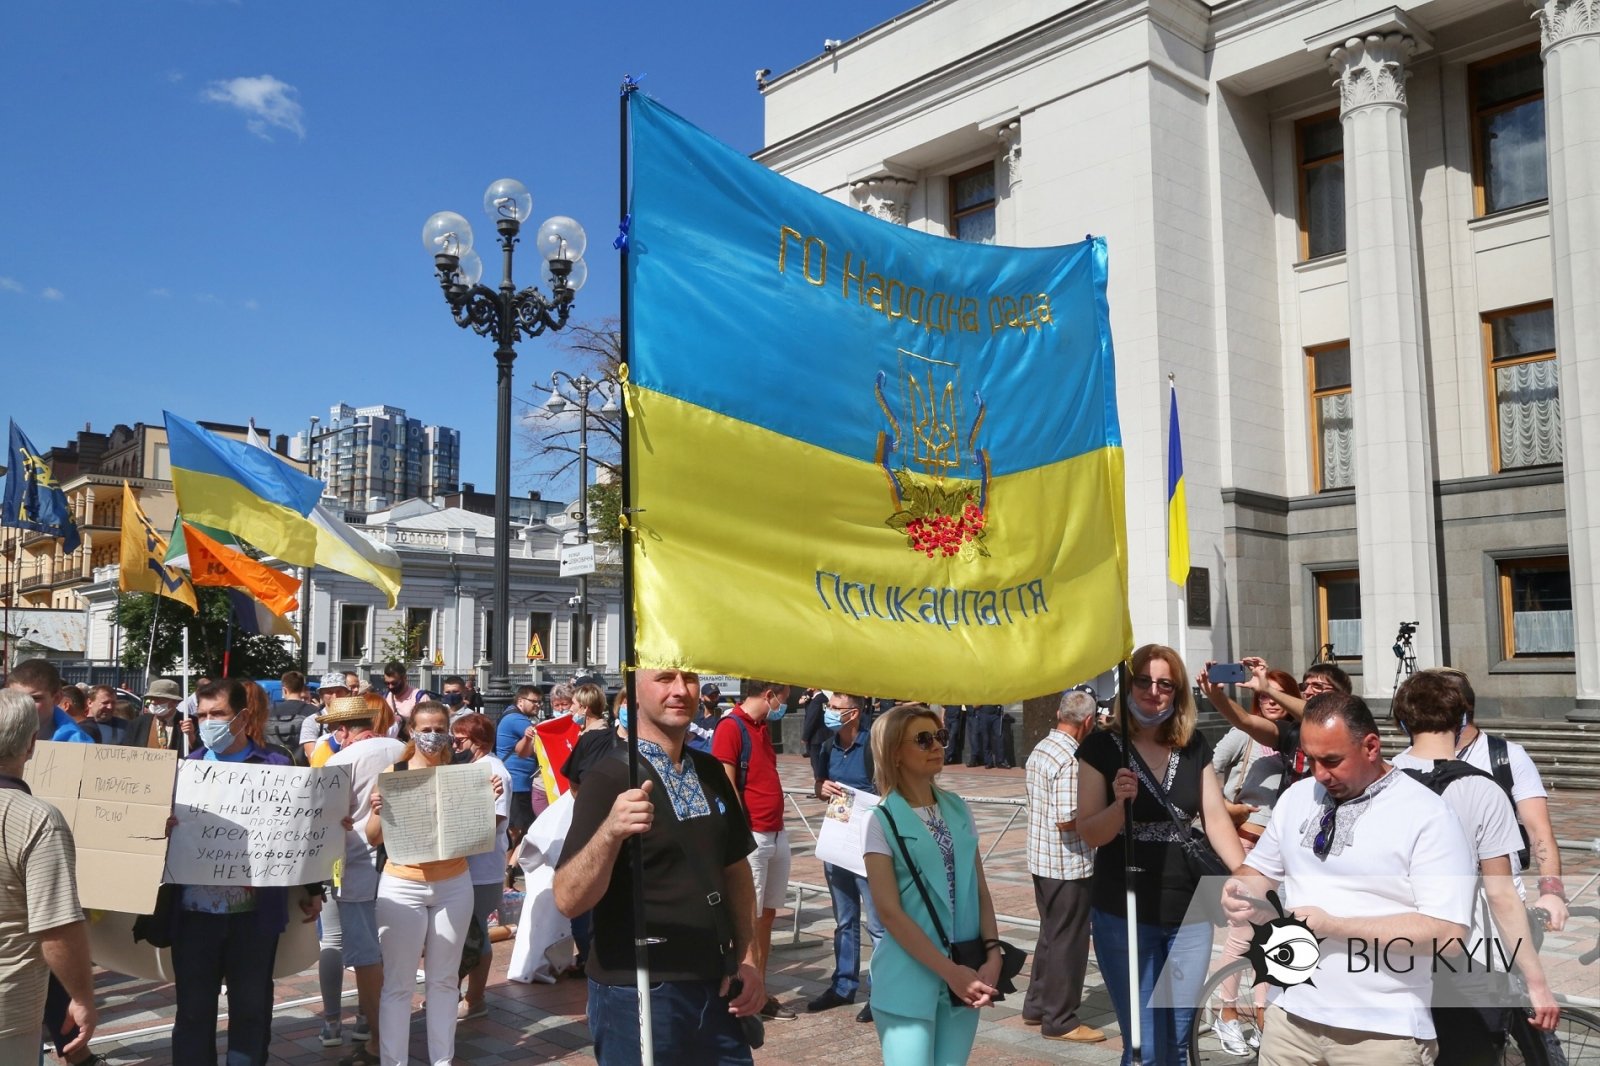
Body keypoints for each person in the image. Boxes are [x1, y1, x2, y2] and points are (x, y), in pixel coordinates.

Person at [1223, 692, 1477, 1064]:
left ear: (1371, 746)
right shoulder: (1296, 797)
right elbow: (1259, 870)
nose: (1319, 774)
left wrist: (1335, 926)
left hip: (1381, 1033)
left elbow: (1449, 936)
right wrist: (1240, 889)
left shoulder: (1428, 815)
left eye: (1332, 760)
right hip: (1288, 1018)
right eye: (1311, 760)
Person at [553, 668, 764, 1065]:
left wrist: (749, 959)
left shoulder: (710, 769)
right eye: (665, 678)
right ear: (632, 692)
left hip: (718, 988)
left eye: (688, 678)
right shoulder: (609, 776)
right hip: (640, 992)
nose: (680, 690)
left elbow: (735, 869)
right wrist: (611, 832)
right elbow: (567, 899)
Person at [1076, 645, 1245, 1064]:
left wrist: (1245, 871)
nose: (1154, 691)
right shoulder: (1101, 747)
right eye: (1144, 681)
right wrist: (1119, 805)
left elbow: (1215, 817)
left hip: (1188, 910)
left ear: (1178, 691)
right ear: (1128, 685)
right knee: (1145, 1044)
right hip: (1124, 907)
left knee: (1178, 1038)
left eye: (1165, 683)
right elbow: (1091, 832)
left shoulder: (1193, 745)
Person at [1392, 671, 1559, 1062]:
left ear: (1402, 722)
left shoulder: (1380, 782)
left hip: (1392, 954)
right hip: (1470, 959)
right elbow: (1500, 895)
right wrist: (1536, 980)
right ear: (1462, 720)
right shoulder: (1482, 789)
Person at [169, 680, 325, 1065]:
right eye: (202, 715)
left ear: (242, 717)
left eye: (217, 714)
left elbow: (297, 830)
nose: (208, 722)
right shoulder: (185, 768)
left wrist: (313, 886)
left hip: (253, 917)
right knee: (192, 1012)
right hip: (192, 916)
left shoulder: (276, 765)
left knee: (252, 1011)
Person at [861, 703, 1004, 1064]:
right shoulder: (881, 820)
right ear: (894, 753)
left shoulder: (957, 807)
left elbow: (979, 889)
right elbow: (889, 913)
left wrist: (993, 952)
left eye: (939, 736)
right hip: (909, 977)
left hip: (966, 973)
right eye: (923, 740)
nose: (938, 745)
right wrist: (949, 972)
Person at [368, 700, 497, 1066]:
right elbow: (372, 837)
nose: (432, 735)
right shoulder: (395, 772)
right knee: (398, 983)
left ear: (449, 730)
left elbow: (481, 832)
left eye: (439, 728)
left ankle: (442, 1060)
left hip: (453, 883)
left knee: (443, 981)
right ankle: (394, 1062)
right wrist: (378, 811)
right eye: (425, 729)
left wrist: (488, 801)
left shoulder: (464, 772)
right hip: (402, 882)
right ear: (411, 731)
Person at [1197, 665, 1301, 1054]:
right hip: (1247, 847)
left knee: (1270, 935)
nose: (1270, 701)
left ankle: (1260, 1013)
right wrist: (1227, 808)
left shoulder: (1297, 739)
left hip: (1283, 852)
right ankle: (1227, 1014)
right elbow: (1209, 769)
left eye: (1278, 695)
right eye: (1264, 695)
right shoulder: (1246, 733)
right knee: (1244, 932)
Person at [0, 690, 98, 1066]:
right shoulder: (36, 819)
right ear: (31, 744)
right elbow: (56, 928)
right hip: (8, 1007)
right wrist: (82, 997)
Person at [1443, 667, 1572, 931]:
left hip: (1500, 904)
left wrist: (1551, 891)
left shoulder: (1506, 756)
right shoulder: (1407, 762)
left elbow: (1539, 831)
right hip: (1436, 905)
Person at [321, 694, 406, 1062]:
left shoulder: (340, 760)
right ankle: (385, 1027)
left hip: (357, 867)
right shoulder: (404, 749)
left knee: (366, 956)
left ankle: (376, 1036)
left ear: (343, 731)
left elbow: (322, 819)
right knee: (396, 952)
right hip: (404, 865)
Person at [1022, 688, 1103, 1044]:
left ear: (1058, 713)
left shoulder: (1042, 747)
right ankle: (1060, 1019)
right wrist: (1101, 813)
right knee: (1069, 941)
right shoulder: (1071, 758)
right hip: (1066, 863)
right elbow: (1067, 818)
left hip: (1042, 858)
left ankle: (1038, 1004)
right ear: (1088, 722)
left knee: (1051, 936)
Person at [712, 679, 795, 1020]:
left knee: (767, 914)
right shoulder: (731, 727)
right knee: (748, 915)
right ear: (769, 695)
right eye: (783, 699)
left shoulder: (760, 727)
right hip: (753, 836)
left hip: (776, 832)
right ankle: (745, 992)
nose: (783, 705)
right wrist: (740, 834)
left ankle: (759, 987)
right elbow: (725, 781)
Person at [806, 692, 883, 1023]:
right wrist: (820, 787)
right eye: (828, 707)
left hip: (870, 847)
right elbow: (820, 785)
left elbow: (891, 791)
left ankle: (880, 994)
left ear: (853, 714)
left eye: (835, 708)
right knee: (845, 920)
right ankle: (843, 986)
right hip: (837, 844)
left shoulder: (873, 745)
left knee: (878, 925)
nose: (828, 713)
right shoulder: (827, 747)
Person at [452, 711, 513, 1020]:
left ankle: (474, 999)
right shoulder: (476, 767)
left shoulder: (493, 771)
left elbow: (496, 819)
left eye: (459, 739)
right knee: (466, 933)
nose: (454, 744)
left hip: (482, 868)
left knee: (476, 934)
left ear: (476, 741)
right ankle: (458, 995)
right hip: (471, 867)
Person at [497, 685, 545, 878]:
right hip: (517, 781)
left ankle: (509, 868)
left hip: (520, 780)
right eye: (534, 701)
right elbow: (537, 732)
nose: (538, 706)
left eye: (540, 702)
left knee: (521, 826)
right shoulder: (516, 719)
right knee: (516, 829)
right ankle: (506, 870)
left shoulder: (512, 716)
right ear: (520, 701)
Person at [8, 659, 95, 745]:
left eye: (35, 698)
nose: (23, 705)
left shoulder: (79, 745)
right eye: (16, 697)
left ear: (57, 698)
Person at [266, 670, 319, 764]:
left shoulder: (269, 712)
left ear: (284, 690)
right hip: (304, 770)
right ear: (302, 688)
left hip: (274, 768)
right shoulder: (313, 712)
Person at [301, 673, 352, 763]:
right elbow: (313, 759)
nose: (335, 696)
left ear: (347, 694)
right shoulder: (312, 721)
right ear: (321, 695)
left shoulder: (355, 718)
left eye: (339, 691)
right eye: (329, 692)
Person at [126, 677, 185, 751]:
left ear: (174, 702)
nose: (153, 702)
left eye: (159, 698)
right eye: (151, 698)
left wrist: (191, 736)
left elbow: (197, 751)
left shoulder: (188, 722)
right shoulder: (138, 723)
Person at [964, 703, 1006, 769]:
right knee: (986, 739)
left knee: (999, 737)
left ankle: (1000, 762)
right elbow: (975, 705)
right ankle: (989, 762)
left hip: (996, 714)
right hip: (984, 714)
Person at [687, 683, 722, 754]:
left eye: (716, 696)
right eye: (711, 696)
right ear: (702, 697)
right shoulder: (694, 715)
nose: (714, 699)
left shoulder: (720, 718)